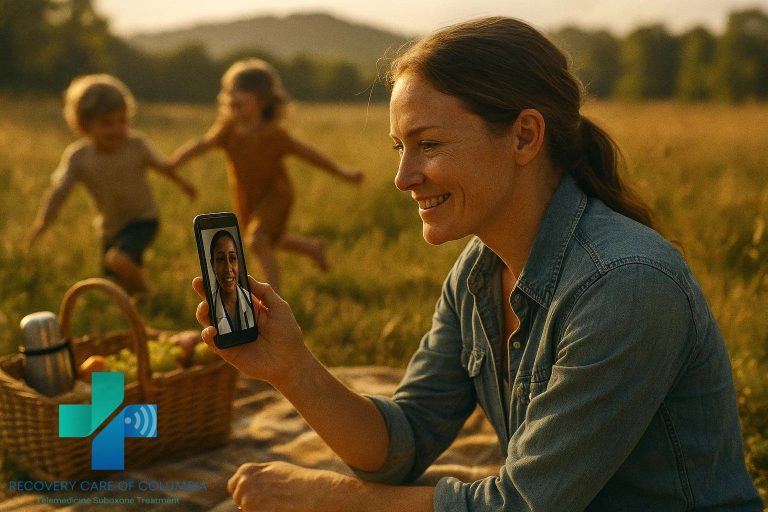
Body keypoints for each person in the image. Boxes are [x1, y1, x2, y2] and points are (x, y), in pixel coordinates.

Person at [192, 17, 763, 511]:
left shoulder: (626, 284)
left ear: (523, 135)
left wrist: (330, 499)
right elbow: (402, 445)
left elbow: (522, 506)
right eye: (400, 148)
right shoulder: (477, 273)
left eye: (429, 144)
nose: (403, 177)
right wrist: (292, 368)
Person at [172, 58, 364, 293]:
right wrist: (173, 163)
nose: (232, 97)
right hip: (247, 197)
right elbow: (200, 145)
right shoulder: (227, 131)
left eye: (240, 92)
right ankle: (313, 248)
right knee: (271, 239)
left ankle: (274, 301)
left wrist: (344, 173)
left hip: (276, 194)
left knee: (258, 240)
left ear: (261, 100)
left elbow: (311, 155)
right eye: (229, 92)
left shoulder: (274, 134)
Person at [29, 74, 196, 296]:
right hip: (110, 228)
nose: (117, 129)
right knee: (113, 282)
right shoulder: (78, 157)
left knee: (118, 260)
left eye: (122, 121)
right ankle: (138, 307)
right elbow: (60, 190)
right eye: (107, 123)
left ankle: (152, 295)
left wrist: (184, 184)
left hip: (143, 218)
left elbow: (163, 167)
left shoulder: (137, 144)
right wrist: (44, 220)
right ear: (84, 123)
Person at [208, 229, 255, 334]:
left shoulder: (254, 304)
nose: (228, 268)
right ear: (212, 265)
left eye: (233, 258)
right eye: (221, 259)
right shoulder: (210, 308)